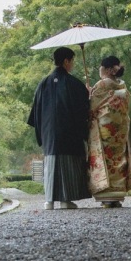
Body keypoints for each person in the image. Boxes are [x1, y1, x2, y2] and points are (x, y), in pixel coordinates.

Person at [27, 46, 90, 210]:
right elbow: (83, 109)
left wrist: (43, 132)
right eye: (72, 61)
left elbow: (36, 112)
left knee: (51, 165)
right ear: (66, 61)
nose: (73, 64)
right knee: (68, 165)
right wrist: (88, 94)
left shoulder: (43, 83)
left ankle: (49, 201)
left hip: (49, 133)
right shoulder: (73, 83)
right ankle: (65, 200)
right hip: (69, 133)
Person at [88, 55, 131, 207]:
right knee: (118, 160)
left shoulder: (102, 84)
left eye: (101, 67)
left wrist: (89, 94)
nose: (100, 70)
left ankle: (107, 196)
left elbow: (91, 107)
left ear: (108, 70)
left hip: (105, 130)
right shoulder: (122, 86)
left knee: (106, 159)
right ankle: (117, 196)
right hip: (120, 129)